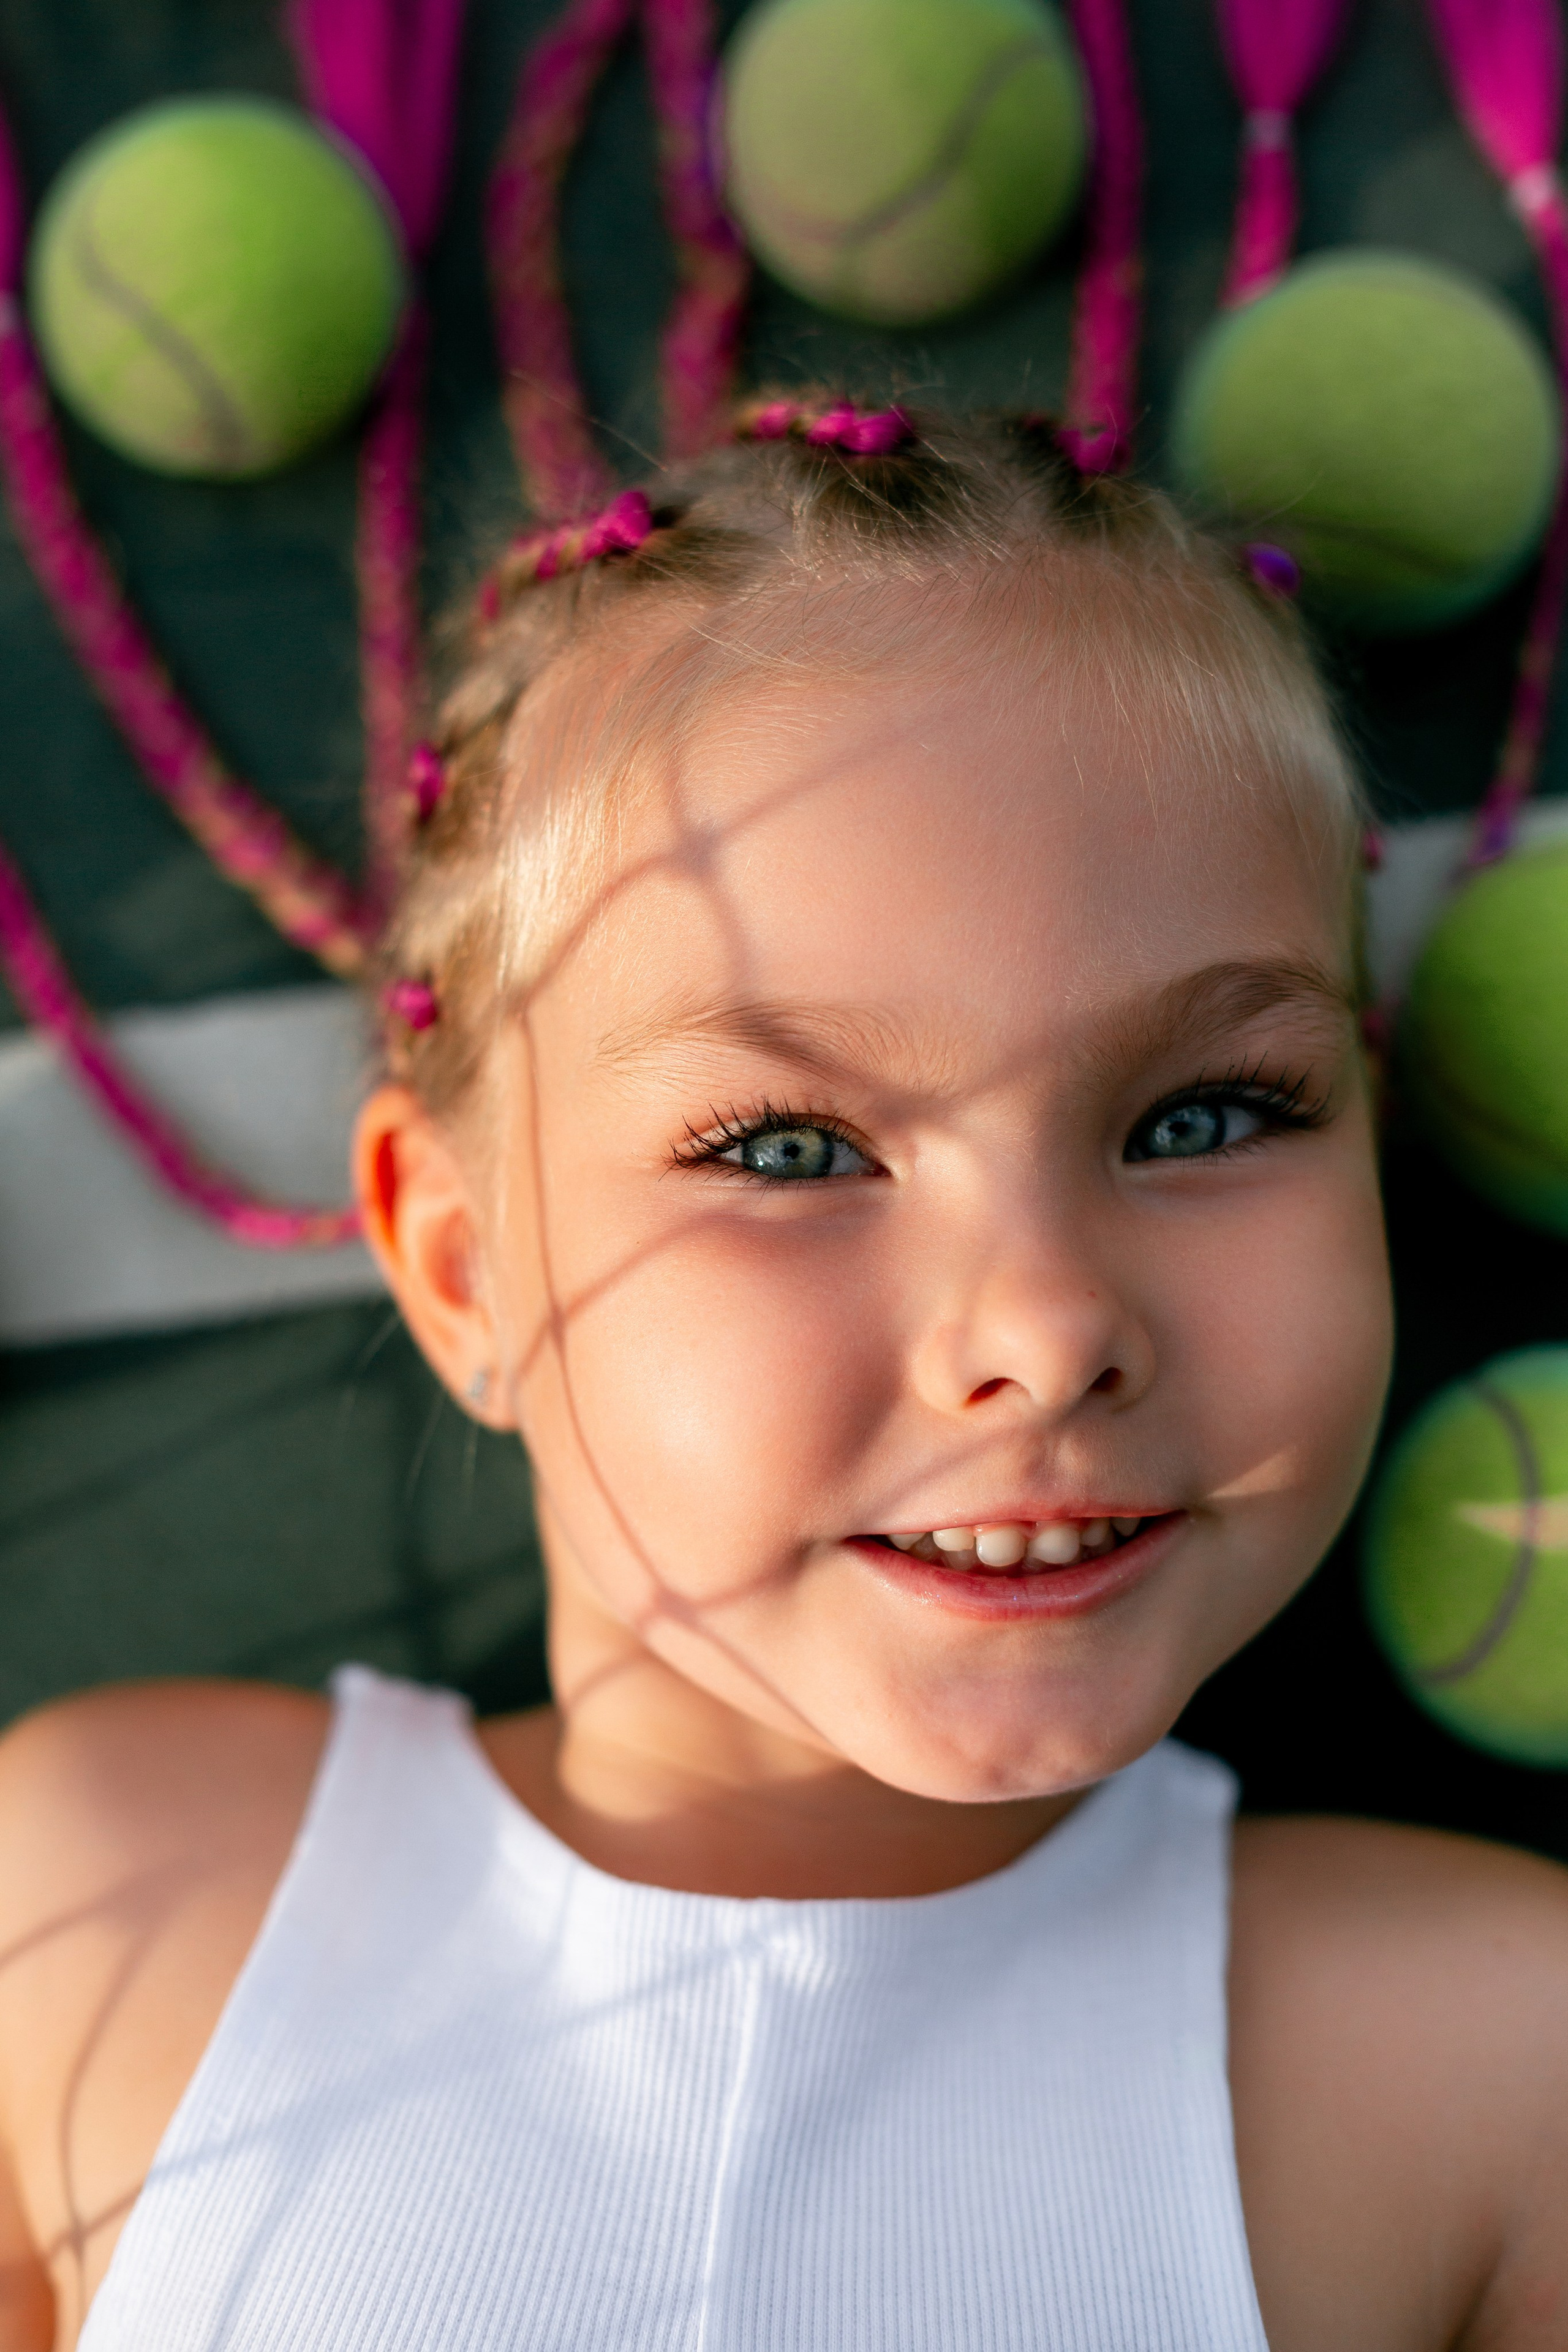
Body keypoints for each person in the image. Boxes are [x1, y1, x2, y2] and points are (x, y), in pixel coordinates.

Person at [0, 398, 1564, 2352]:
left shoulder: (1501, 2080)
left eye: (1205, 1116)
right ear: (465, 1265)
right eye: (791, 1153)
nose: (1044, 1324)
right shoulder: (89, 1901)